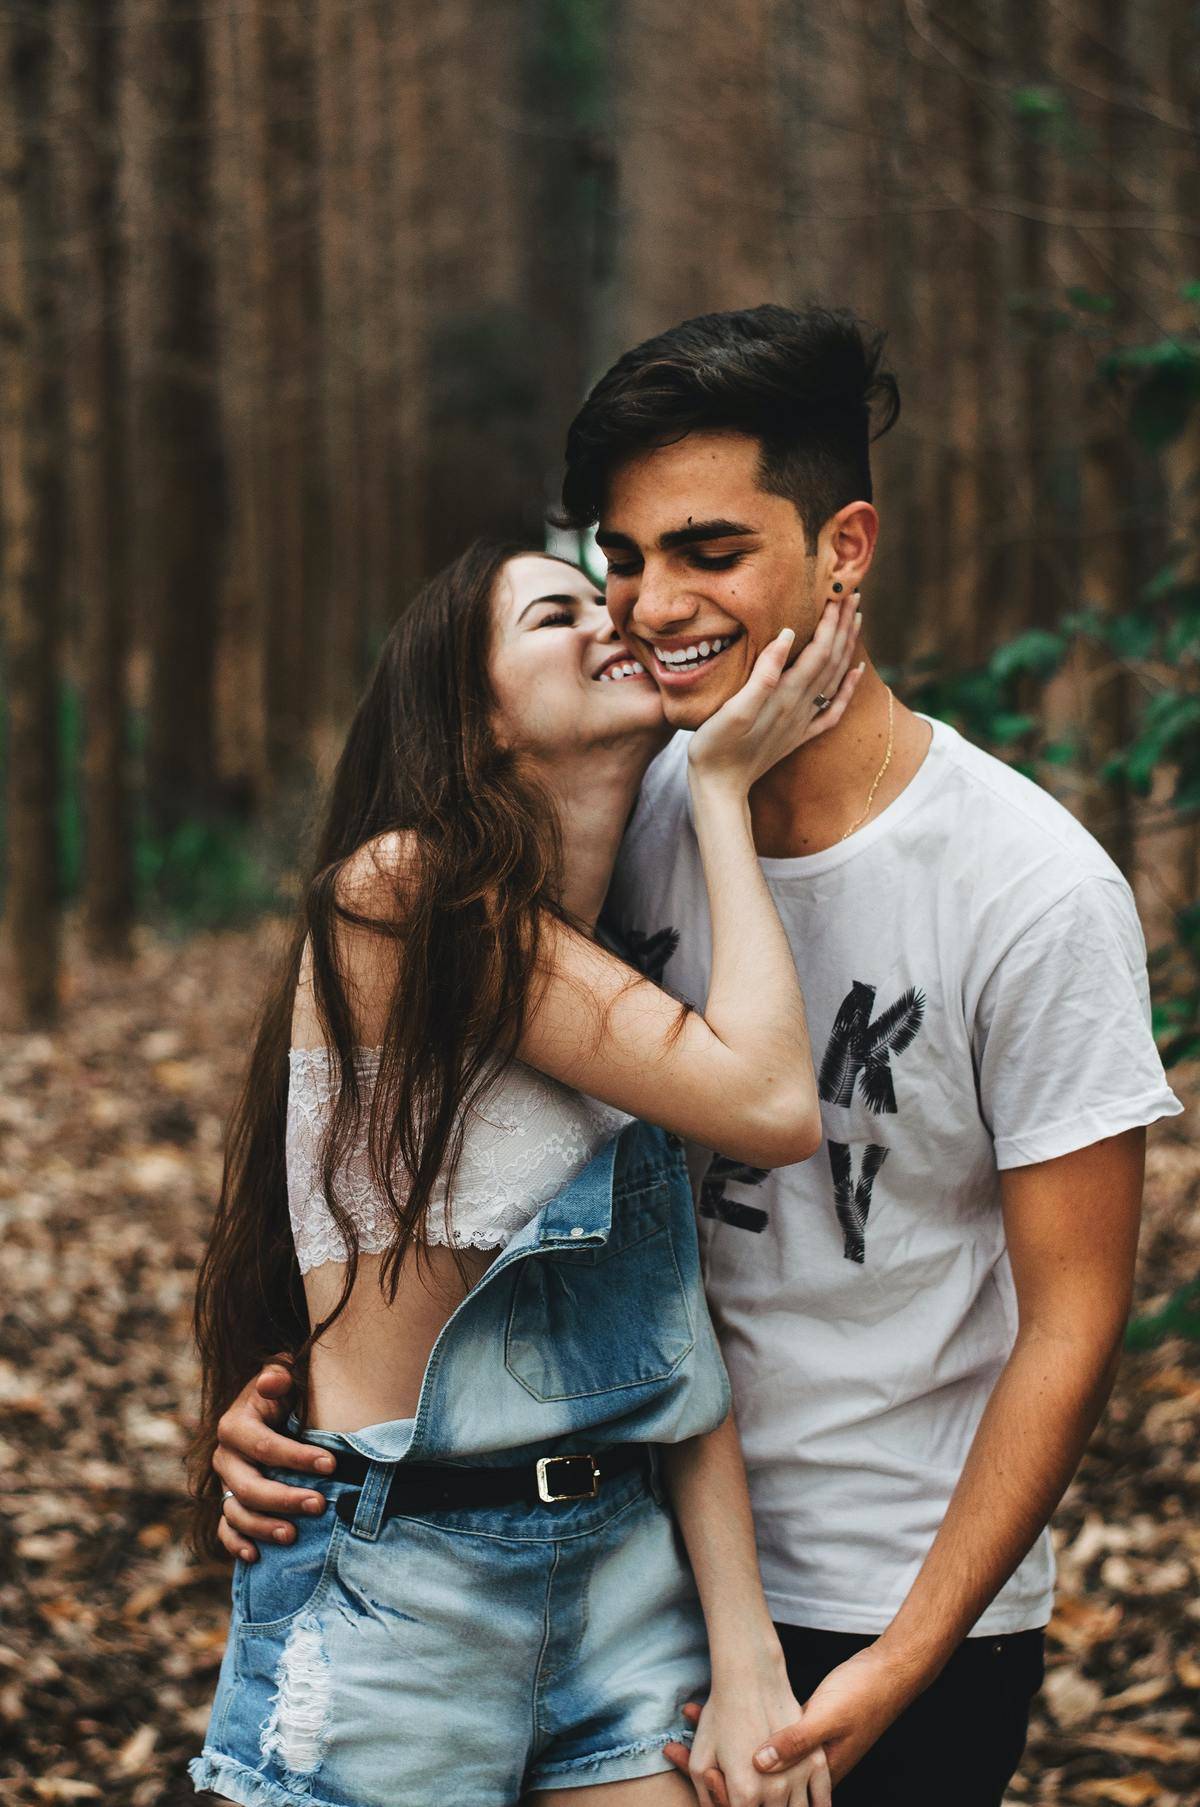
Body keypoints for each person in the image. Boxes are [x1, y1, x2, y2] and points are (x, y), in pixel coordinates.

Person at [217, 307, 1183, 1807]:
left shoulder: (1032, 888)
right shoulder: (618, 814)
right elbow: (439, 1157)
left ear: (845, 548)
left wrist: (906, 1654)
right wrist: (299, 1400)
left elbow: (1072, 1324)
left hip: (887, 1597)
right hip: (634, 1561)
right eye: (621, 555)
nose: (647, 604)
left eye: (708, 552)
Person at [189, 535, 864, 1807]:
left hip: (616, 1576)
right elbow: (776, 1101)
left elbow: (668, 1336)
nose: (613, 620)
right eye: (557, 615)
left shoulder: (606, 969)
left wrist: (748, 1655)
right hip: (403, 1593)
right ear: (475, 720)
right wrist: (722, 791)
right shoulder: (402, 889)